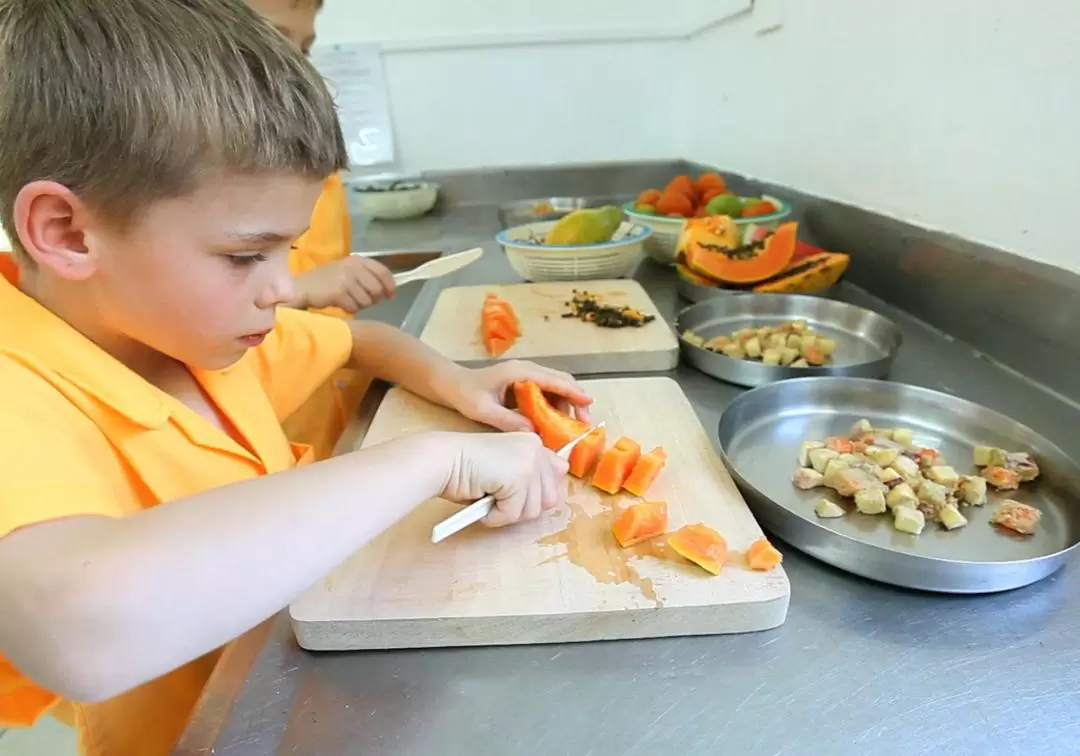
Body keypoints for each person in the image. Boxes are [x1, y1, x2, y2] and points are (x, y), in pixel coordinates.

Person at [0, 2, 591, 756]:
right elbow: (78, 632)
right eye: (246, 255)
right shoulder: (17, 386)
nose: (281, 287)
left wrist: (460, 385)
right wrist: (430, 458)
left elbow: (359, 342)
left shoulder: (199, 341)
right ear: (67, 232)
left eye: (289, 252)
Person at [243, 0, 399, 460]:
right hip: (265, 427)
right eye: (273, 38)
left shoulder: (305, 148)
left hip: (330, 407)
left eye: (304, 48)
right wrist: (305, 288)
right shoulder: (192, 170)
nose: (295, 65)